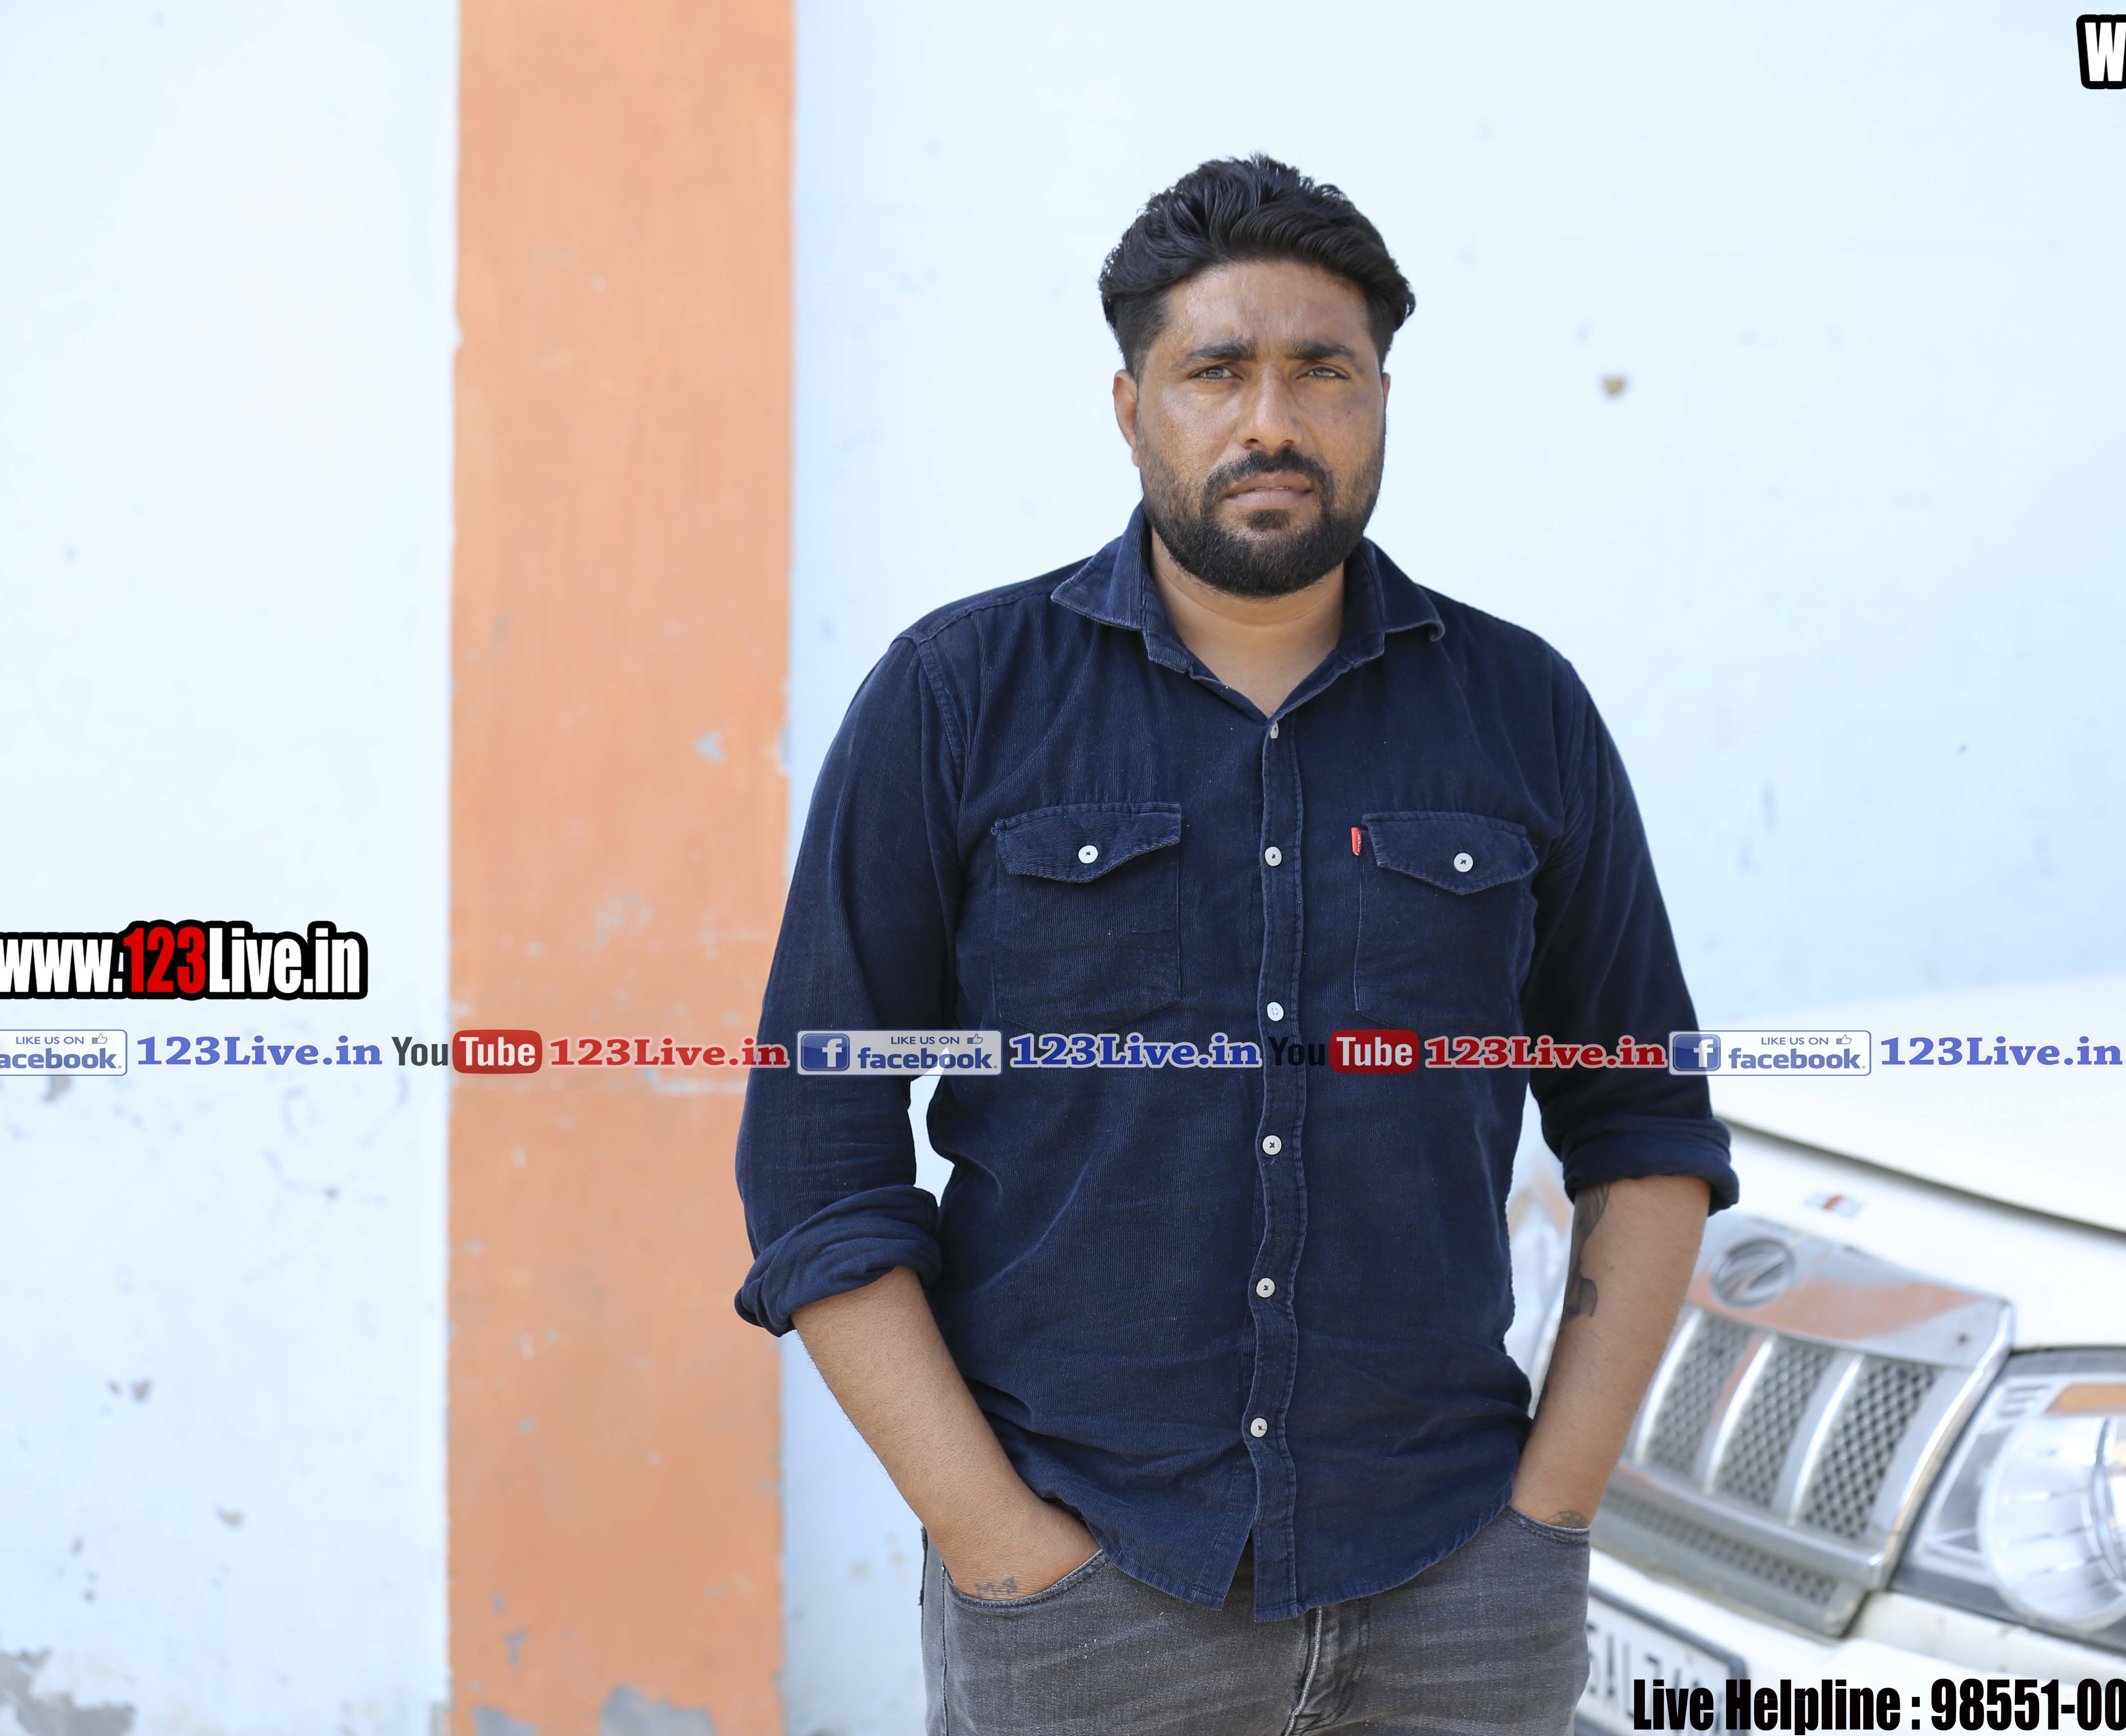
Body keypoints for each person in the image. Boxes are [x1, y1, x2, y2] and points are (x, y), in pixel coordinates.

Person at [735, 154, 1734, 1735]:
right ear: (1131, 406)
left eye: (1324, 371)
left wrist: (1550, 1514)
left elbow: (1647, 1121)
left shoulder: (1521, 710)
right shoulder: (957, 700)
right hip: (1085, 1598)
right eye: (1217, 371)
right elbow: (815, 1152)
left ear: (1382, 401)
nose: (1273, 419)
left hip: (1456, 1589)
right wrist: (999, 1545)